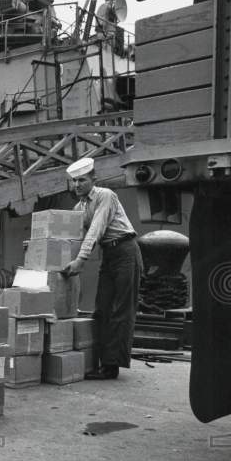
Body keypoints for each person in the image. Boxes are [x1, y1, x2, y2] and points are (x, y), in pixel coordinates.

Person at [61, 157, 143, 380]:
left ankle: (111, 366)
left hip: (126, 251)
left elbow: (95, 229)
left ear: (93, 179)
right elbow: (70, 236)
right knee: (102, 308)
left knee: (120, 309)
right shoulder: (79, 207)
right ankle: (100, 362)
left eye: (82, 180)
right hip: (109, 254)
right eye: (74, 181)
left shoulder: (105, 196)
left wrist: (80, 260)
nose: (77, 185)